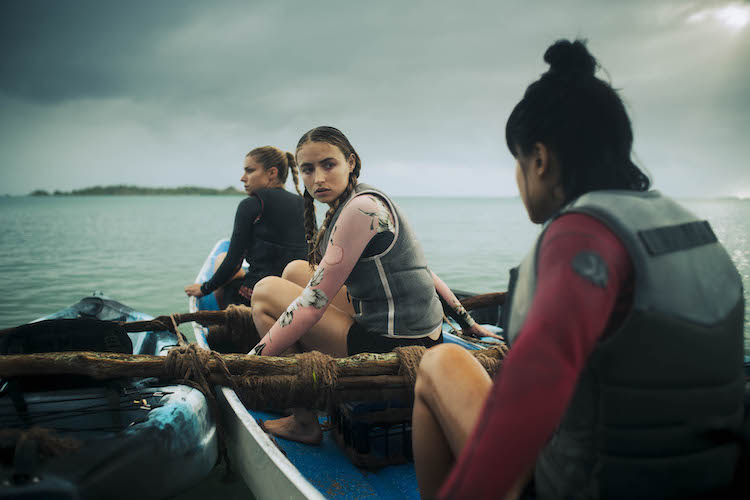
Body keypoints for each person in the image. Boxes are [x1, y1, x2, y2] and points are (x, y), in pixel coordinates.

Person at [412, 39, 745, 499]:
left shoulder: (580, 236)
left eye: (519, 161)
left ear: (541, 159)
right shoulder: (689, 228)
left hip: (590, 488)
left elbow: (534, 387)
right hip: (708, 480)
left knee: (440, 362)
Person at [248, 126, 500, 443]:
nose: (318, 179)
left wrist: (252, 361)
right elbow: (425, 271)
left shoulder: (360, 210)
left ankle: (303, 420)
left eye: (328, 164)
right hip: (424, 335)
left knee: (265, 292)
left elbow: (311, 307)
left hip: (397, 345)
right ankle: (307, 391)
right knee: (296, 270)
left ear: (350, 162)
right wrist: (466, 321)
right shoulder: (363, 197)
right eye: (308, 169)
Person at [184, 146, 307, 309]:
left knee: (221, 259)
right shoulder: (303, 203)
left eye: (249, 171)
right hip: (292, 296)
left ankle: (227, 319)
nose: (243, 178)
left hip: (256, 298)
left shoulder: (251, 205)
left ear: (272, 173)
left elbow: (233, 263)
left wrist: (204, 288)